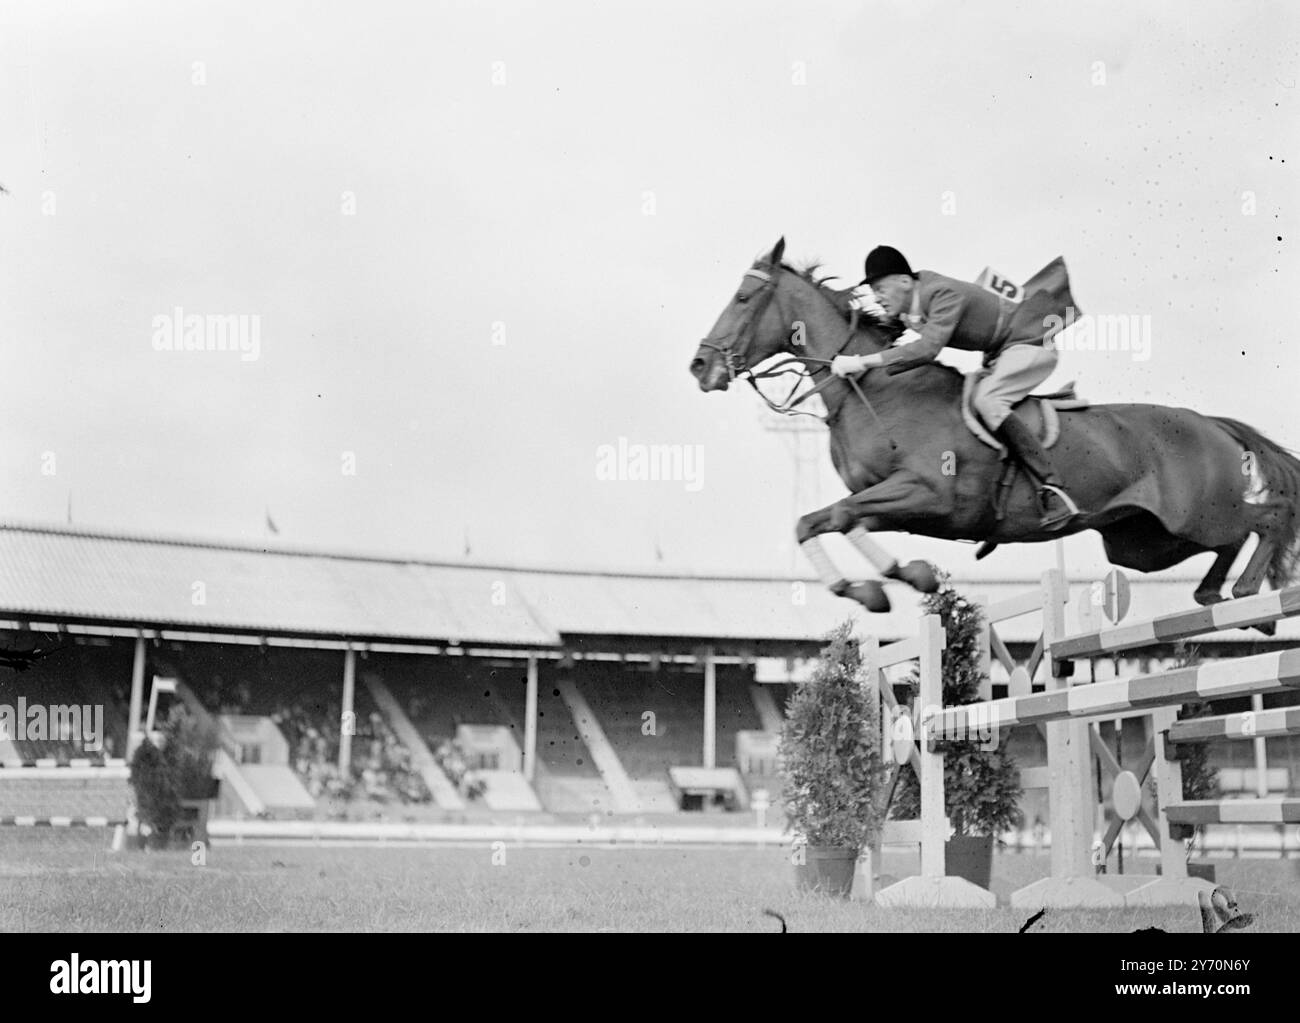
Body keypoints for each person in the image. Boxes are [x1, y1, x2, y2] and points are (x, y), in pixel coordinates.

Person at [832, 245, 1081, 530]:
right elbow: (882, 335)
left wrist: (861, 362)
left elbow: (927, 349)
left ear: (903, 281)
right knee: (967, 402)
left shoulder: (941, 293)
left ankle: (1051, 488)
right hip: (1002, 351)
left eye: (880, 288)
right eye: (874, 292)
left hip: (1031, 343)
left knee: (988, 401)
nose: (877, 298)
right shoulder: (907, 306)